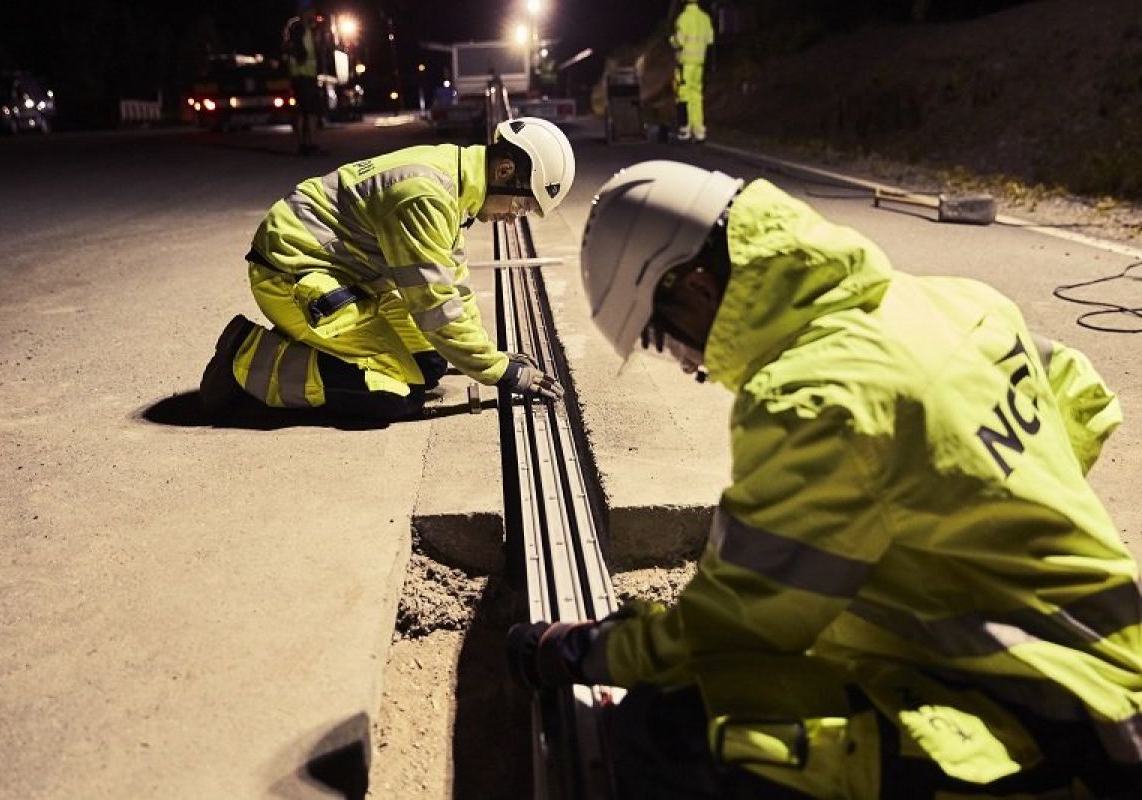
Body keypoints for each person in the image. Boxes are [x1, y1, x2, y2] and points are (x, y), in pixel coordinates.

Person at [507, 160, 1142, 797]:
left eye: (661, 333)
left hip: (1065, 727)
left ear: (697, 288)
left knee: (668, 731)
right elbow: (1084, 397)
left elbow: (734, 625)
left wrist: (584, 650)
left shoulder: (812, 398)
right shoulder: (951, 300)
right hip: (1113, 677)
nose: (682, 360)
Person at [198, 117, 574, 421]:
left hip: (342, 274)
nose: (513, 219)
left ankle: (324, 346)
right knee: (393, 395)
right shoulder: (426, 195)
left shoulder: (456, 180)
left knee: (429, 363)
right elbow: (435, 306)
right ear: (505, 170)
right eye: (521, 207)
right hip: (290, 273)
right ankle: (244, 358)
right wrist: (500, 373)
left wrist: (491, 355)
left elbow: (453, 286)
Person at [671, 0, 714, 143]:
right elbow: (709, 39)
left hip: (686, 62)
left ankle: (685, 129)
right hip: (700, 63)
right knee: (696, 95)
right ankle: (699, 130)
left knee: (684, 94)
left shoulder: (683, 18)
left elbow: (679, 41)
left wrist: (672, 40)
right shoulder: (705, 18)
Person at [284, 9, 320, 156]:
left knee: (300, 111)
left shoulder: (291, 29)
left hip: (296, 76)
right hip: (307, 75)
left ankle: (302, 144)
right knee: (310, 111)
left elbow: (287, 49)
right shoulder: (303, 30)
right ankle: (311, 143)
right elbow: (306, 53)